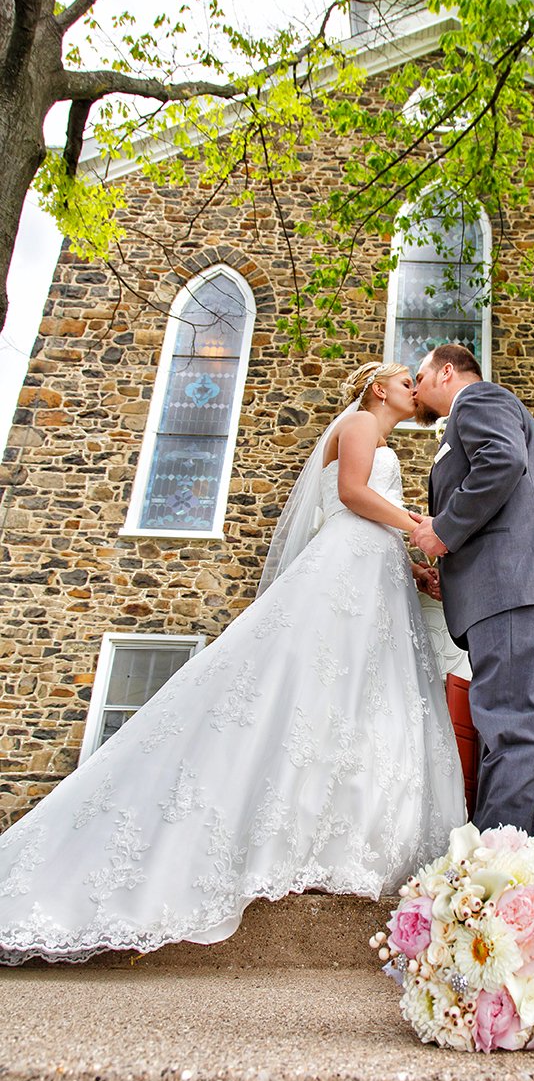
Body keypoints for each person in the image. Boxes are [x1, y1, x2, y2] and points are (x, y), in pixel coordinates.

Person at [0, 362, 466, 965]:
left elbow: (369, 522)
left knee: (356, 700)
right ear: (379, 387)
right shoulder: (357, 425)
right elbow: (352, 495)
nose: (414, 388)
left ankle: (329, 839)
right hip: (343, 571)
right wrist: (421, 527)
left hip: (375, 571)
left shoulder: (381, 439)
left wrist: (413, 566)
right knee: (305, 693)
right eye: (406, 379)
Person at [410, 344, 534, 835]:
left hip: (515, 585)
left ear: (447, 372)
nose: (415, 387)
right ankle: (496, 862)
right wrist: (452, 569)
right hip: (501, 588)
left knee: (512, 724)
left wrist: (443, 531)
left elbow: (502, 460)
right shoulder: (466, 415)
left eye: (419, 376)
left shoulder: (480, 399)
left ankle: (499, 870)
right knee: (500, 727)